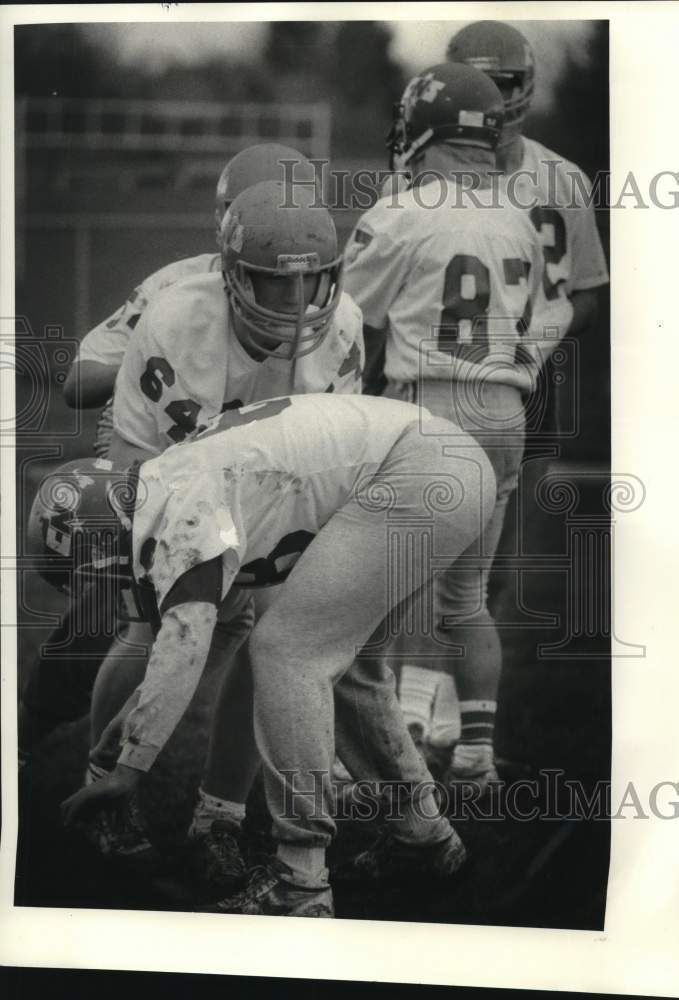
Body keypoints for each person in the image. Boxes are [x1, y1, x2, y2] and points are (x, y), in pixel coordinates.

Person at [28, 392, 496, 917]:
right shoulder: (180, 480)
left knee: (287, 651)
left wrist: (130, 769)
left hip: (416, 468)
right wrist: (130, 731)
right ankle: (425, 840)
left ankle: (300, 882)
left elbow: (184, 642)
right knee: (348, 669)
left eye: (104, 569)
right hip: (443, 461)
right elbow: (202, 641)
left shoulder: (183, 505)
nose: (117, 582)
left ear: (103, 533)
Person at [53, 177, 364, 897]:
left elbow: (326, 445)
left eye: (309, 283)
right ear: (229, 267)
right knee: (150, 628)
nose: (294, 305)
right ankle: (108, 791)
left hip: (274, 474)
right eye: (270, 283)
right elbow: (179, 468)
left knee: (273, 632)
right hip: (167, 463)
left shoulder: (344, 321)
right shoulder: (179, 315)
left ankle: (218, 817)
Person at [18, 143, 323, 764]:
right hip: (154, 439)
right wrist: (155, 355)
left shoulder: (326, 303)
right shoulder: (180, 290)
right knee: (119, 607)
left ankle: (221, 801)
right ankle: (30, 733)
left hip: (250, 464)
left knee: (259, 623)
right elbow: (79, 381)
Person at [343, 62, 573, 790]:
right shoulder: (519, 219)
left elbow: (349, 321)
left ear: (425, 132)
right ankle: (475, 755)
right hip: (504, 411)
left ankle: (406, 736)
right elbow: (540, 321)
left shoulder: (401, 212)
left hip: (432, 403)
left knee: (401, 586)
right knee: (467, 596)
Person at [400, 21, 610, 764]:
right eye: (478, 81)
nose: (495, 97)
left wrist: (539, 339)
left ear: (528, 86)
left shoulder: (561, 180)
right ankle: (426, 710)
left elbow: (586, 289)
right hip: (451, 372)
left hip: (527, 375)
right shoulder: (428, 176)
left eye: (506, 81)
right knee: (425, 550)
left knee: (493, 551)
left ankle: (456, 719)